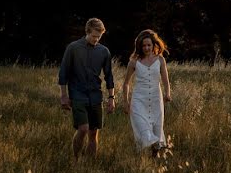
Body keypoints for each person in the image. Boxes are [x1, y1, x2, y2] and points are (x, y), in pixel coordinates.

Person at [58, 18, 116, 160]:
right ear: (87, 32)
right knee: (83, 129)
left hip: (96, 96)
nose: (96, 39)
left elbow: (109, 76)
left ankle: (90, 164)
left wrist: (111, 98)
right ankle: (76, 159)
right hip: (78, 94)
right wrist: (63, 96)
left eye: (99, 36)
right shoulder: (73, 48)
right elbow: (63, 73)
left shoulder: (104, 51)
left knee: (93, 132)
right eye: (94, 36)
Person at [122, 29, 171, 157]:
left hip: (156, 98)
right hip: (139, 99)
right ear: (140, 46)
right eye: (144, 45)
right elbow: (126, 83)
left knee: (156, 127)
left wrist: (168, 93)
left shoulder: (160, 60)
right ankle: (144, 153)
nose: (146, 48)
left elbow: (165, 80)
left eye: (149, 45)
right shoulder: (134, 62)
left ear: (154, 45)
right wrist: (126, 102)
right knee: (142, 126)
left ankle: (154, 158)